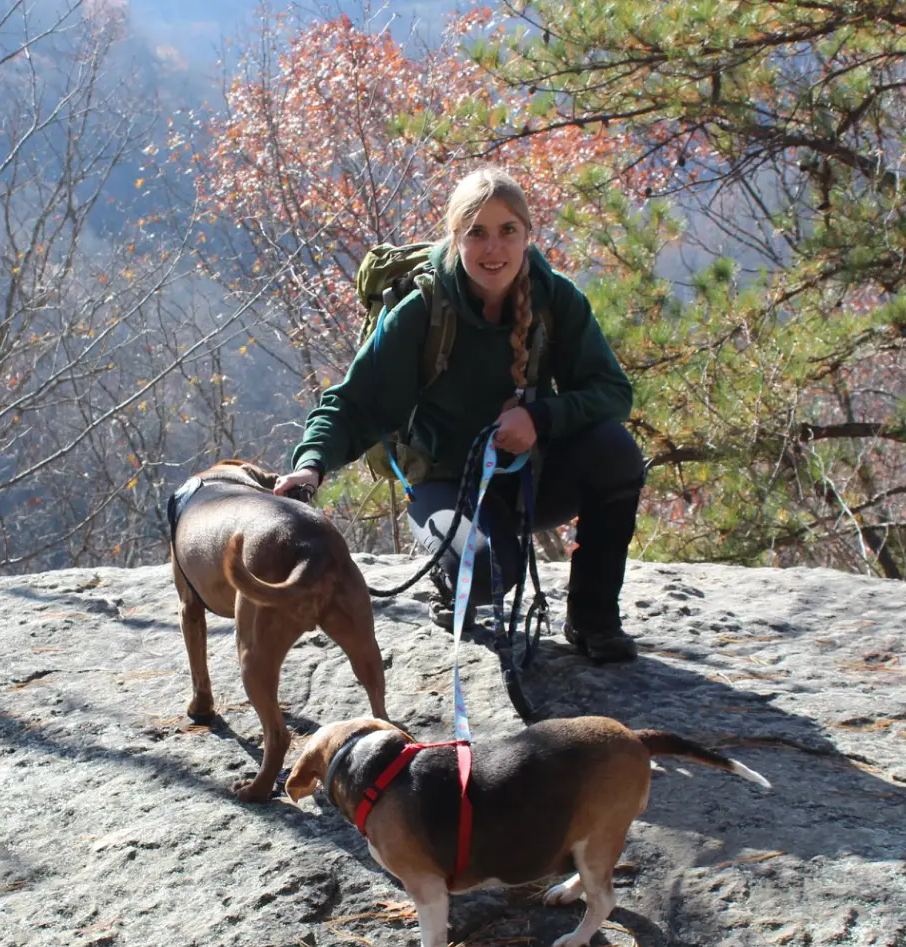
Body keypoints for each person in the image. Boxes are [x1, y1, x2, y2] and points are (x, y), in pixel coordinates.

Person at [272, 166, 645, 663]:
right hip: (447, 484)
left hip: (531, 477)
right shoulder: (422, 310)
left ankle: (592, 619)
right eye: (477, 233)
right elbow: (355, 401)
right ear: (455, 238)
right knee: (489, 568)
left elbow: (613, 392)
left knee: (617, 455)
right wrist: (311, 463)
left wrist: (542, 418)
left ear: (527, 235)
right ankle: (452, 583)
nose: (494, 249)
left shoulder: (557, 299)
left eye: (508, 231)